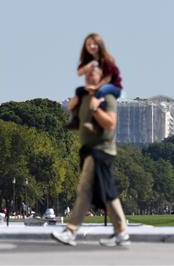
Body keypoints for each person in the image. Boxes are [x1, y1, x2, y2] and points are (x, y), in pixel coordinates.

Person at [52, 63, 130, 247]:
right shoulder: (86, 95)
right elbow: (76, 114)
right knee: (105, 191)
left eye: (92, 75)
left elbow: (110, 124)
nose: (87, 77)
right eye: (86, 75)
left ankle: (71, 231)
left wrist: (95, 109)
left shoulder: (107, 98)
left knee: (85, 190)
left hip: (101, 150)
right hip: (89, 150)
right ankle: (121, 232)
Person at [66, 34, 124, 131]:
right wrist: (88, 67)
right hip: (98, 85)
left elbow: (108, 79)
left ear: (100, 45)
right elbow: (79, 72)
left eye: (94, 44)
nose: (91, 46)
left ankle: (94, 121)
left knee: (99, 92)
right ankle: (75, 119)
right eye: (88, 44)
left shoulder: (106, 60)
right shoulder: (88, 60)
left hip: (113, 86)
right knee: (79, 91)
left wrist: (96, 87)